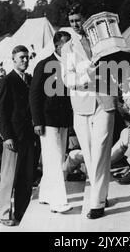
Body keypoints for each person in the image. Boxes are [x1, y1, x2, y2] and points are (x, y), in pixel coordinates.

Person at [61, 3, 117, 219]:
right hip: (82, 106)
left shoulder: (103, 40)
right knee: (90, 154)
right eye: (72, 20)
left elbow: (117, 65)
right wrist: (88, 76)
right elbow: (67, 79)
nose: (75, 25)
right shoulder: (67, 48)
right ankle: (101, 194)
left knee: (102, 150)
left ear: (86, 18)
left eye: (78, 19)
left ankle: (96, 202)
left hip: (104, 101)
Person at [29, 31, 73, 214]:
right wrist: (37, 121)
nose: (71, 49)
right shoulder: (43, 65)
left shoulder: (70, 64)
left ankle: (46, 194)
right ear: (57, 46)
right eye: (67, 46)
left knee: (54, 159)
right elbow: (34, 94)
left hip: (62, 121)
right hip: (47, 121)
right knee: (55, 161)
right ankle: (58, 202)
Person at [0, 45, 36, 226]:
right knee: (8, 177)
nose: (25, 61)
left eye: (27, 58)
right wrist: (7, 136)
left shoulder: (29, 79)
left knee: (26, 177)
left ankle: (21, 212)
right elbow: (1, 110)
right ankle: (4, 214)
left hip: (28, 136)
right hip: (13, 137)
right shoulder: (7, 80)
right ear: (13, 59)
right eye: (21, 58)